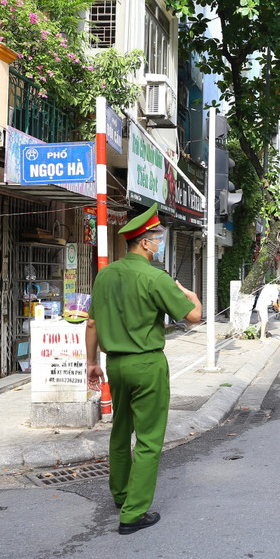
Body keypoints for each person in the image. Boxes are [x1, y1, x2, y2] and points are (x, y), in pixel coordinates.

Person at [85, 203, 202, 535]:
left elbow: (92, 323)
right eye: (158, 237)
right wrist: (189, 292)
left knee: (120, 431)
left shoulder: (105, 274)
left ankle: (121, 494)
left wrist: (91, 362)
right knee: (149, 440)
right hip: (147, 363)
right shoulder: (155, 277)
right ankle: (133, 513)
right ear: (145, 242)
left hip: (116, 365)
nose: (160, 242)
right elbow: (193, 316)